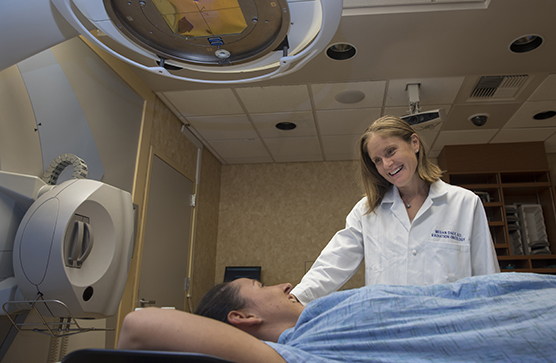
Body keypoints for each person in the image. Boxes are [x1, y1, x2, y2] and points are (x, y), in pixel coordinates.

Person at [291, 115, 500, 305]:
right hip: (388, 330)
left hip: (449, 329)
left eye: (390, 151)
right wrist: (295, 298)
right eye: (378, 161)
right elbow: (334, 263)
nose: (387, 164)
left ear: (414, 143)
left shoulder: (464, 203)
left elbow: (488, 277)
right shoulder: (367, 211)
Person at [117, 274, 556, 363]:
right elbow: (138, 326)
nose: (284, 285)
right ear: (243, 316)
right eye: (261, 286)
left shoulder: (318, 317)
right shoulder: (296, 352)